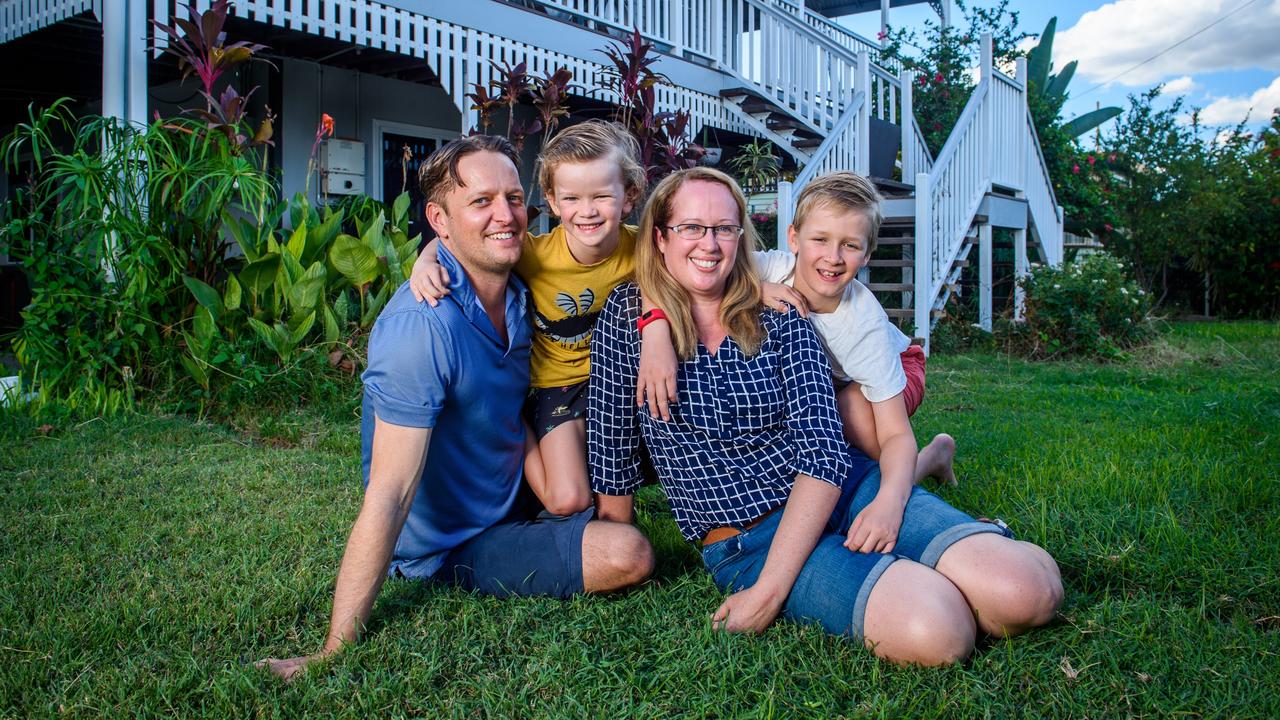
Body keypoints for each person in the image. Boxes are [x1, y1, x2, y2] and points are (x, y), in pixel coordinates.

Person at [588, 167, 1062, 664]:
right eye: (691, 227)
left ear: (740, 237)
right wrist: (620, 553)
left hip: (846, 488)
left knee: (1028, 593)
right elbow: (613, 445)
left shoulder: (780, 309)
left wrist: (770, 594)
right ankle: (937, 566)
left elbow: (822, 449)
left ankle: (973, 545)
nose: (709, 243)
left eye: (724, 228)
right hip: (754, 534)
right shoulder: (628, 321)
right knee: (940, 632)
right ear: (660, 237)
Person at [258, 135, 653, 681]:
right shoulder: (419, 330)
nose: (507, 216)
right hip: (456, 543)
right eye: (482, 201)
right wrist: (332, 648)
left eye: (514, 199)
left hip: (515, 491)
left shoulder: (519, 290)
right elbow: (390, 494)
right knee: (627, 554)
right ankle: (461, 569)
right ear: (439, 219)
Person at [638, 171, 956, 498]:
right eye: (820, 239)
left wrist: (889, 500)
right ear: (794, 239)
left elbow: (895, 434)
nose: (833, 258)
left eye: (849, 245)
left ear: (866, 254)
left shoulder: (864, 323)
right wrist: (656, 330)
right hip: (832, 376)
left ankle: (927, 461)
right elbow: (663, 272)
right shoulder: (771, 269)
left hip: (899, 366)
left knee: (854, 419)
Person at [409, 120, 648, 516]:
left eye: (602, 196)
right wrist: (425, 260)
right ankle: (517, 424)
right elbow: (461, 239)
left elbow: (702, 264)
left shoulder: (643, 247)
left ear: (629, 196)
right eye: (571, 198)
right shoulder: (533, 255)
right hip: (558, 387)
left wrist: (759, 287)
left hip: (619, 383)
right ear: (553, 201)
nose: (586, 212)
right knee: (566, 500)